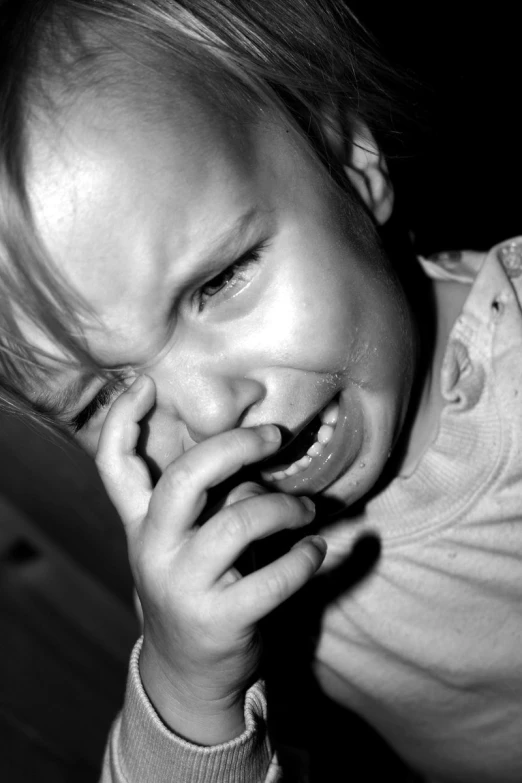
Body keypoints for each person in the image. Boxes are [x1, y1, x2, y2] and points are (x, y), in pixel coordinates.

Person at [1, 1, 521, 781]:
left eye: (221, 280)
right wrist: (188, 691)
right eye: (98, 399)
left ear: (349, 159)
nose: (210, 415)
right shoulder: (214, 581)